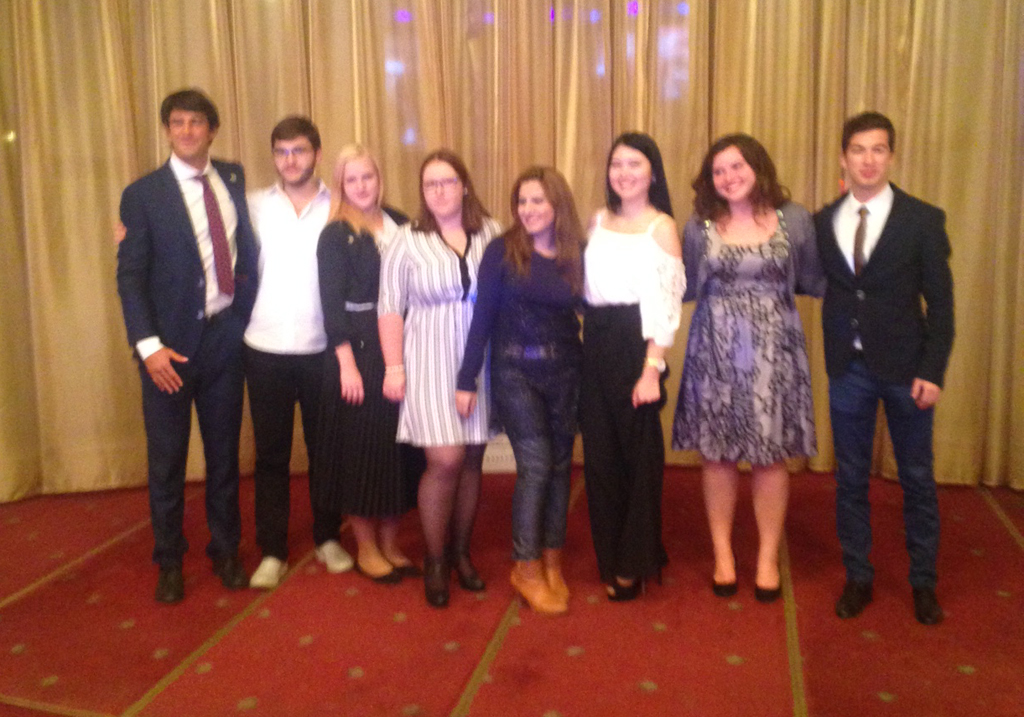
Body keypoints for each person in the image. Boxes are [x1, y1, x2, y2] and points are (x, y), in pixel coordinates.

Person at [116, 88, 258, 603]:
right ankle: (170, 560)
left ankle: (225, 550)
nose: (186, 131)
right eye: (177, 123)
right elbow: (130, 277)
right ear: (167, 130)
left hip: (224, 340)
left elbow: (245, 254)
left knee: (224, 456)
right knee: (167, 461)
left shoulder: (233, 178)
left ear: (212, 130)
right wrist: (148, 347)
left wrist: (242, 319)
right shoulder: (142, 195)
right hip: (168, 351)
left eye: (196, 122)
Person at [671, 134, 825, 603]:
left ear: (758, 167)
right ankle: (723, 554)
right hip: (715, 352)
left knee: (770, 456)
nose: (729, 177)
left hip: (775, 354)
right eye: (719, 171)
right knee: (717, 455)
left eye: (737, 166)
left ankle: (766, 557)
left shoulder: (793, 218)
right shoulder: (699, 225)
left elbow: (813, 278)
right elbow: (682, 286)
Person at [815, 112, 954, 625]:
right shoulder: (824, 220)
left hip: (907, 370)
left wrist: (933, 370)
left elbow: (942, 305)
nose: (868, 160)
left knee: (916, 478)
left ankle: (923, 582)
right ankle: (859, 575)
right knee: (850, 478)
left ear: (891, 156)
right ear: (843, 158)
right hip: (848, 368)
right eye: (858, 150)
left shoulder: (923, 219)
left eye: (878, 149)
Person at [455, 167, 586, 615]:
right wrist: (466, 378)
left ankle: (552, 561)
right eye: (522, 201)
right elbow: (483, 317)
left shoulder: (576, 252)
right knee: (536, 465)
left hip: (566, 370)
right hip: (514, 371)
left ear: (557, 204)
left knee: (561, 466)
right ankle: (526, 567)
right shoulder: (501, 250)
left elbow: (595, 310)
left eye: (537, 201)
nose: (527, 210)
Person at [378, 149, 501, 608]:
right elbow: (389, 307)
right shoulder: (407, 239)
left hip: (480, 359)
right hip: (428, 359)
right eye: (430, 184)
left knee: (471, 458)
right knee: (446, 460)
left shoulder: (491, 233)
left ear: (464, 185)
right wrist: (394, 367)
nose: (439, 191)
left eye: (447, 181)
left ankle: (461, 554)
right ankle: (434, 558)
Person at [244, 116, 353, 590]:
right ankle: (272, 550)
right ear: (274, 157)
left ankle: (328, 537)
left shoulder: (340, 205)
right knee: (271, 456)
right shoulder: (253, 206)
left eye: (300, 151)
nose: (290, 160)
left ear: (317, 154)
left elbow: (385, 227)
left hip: (322, 349)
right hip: (263, 346)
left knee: (326, 450)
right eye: (282, 152)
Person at [580, 132, 684, 601]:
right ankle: (612, 555)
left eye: (634, 164)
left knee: (640, 461)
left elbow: (666, 304)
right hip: (595, 342)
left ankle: (635, 560)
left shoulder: (661, 227)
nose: (624, 173)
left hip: (637, 344)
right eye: (616, 164)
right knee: (601, 461)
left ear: (653, 172)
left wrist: (651, 370)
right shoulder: (597, 220)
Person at [315, 144, 422, 584]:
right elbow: (331, 306)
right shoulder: (335, 234)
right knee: (361, 453)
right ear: (341, 185)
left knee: (397, 451)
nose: (361, 186)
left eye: (368, 177)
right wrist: (346, 363)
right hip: (357, 352)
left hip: (401, 348)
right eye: (352, 179)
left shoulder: (401, 222)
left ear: (380, 179)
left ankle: (391, 543)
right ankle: (366, 547)